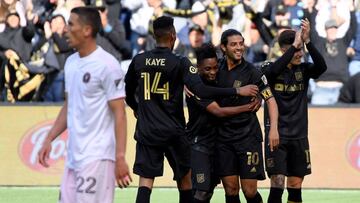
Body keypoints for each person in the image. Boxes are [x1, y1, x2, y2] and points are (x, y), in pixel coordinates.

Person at [125, 16, 259, 203]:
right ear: (173, 36)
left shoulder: (139, 60)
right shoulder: (180, 62)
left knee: (145, 182)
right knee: (185, 181)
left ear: (155, 36)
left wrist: (136, 107)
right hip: (174, 131)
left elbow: (128, 91)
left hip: (148, 130)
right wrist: (237, 90)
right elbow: (202, 90)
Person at [38, 7, 131, 203]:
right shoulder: (71, 62)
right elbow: (69, 105)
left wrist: (120, 156)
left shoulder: (107, 65)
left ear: (87, 30)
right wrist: (49, 138)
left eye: (71, 24)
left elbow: (120, 114)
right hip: (73, 157)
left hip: (98, 157)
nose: (65, 30)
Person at [261, 19, 327, 203]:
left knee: (295, 184)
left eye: (300, 50)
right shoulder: (269, 69)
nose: (299, 54)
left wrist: (308, 42)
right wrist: (294, 47)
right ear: (283, 50)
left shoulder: (304, 70)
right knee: (278, 181)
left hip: (299, 135)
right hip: (277, 135)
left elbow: (322, 67)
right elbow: (272, 72)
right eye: (295, 50)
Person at [187, 43, 262, 203]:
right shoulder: (195, 86)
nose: (212, 72)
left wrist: (259, 95)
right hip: (200, 144)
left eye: (215, 68)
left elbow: (257, 75)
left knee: (219, 190)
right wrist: (245, 104)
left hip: (219, 143)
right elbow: (218, 111)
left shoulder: (218, 78)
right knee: (201, 192)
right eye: (207, 69)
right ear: (198, 67)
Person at [215, 29, 279, 203]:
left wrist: (273, 129)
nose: (239, 48)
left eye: (241, 43)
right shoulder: (215, 69)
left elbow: (271, 100)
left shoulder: (252, 72)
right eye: (234, 44)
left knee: (249, 191)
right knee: (231, 188)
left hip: (247, 137)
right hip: (223, 137)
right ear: (223, 47)